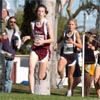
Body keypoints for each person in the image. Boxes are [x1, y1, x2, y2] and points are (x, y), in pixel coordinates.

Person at [22, 4, 54, 94]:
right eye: (39, 11)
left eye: (42, 11)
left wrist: (43, 41)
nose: (40, 13)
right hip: (35, 49)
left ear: (45, 13)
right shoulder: (32, 24)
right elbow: (33, 36)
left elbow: (52, 39)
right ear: (36, 12)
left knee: (40, 76)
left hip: (44, 49)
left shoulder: (47, 23)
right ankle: (31, 92)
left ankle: (44, 74)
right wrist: (29, 37)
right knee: (31, 68)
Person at [53, 18, 82, 96]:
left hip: (72, 56)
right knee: (59, 69)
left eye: (72, 24)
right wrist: (56, 44)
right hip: (64, 54)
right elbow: (59, 39)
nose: (70, 26)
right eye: (69, 24)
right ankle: (62, 77)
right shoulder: (65, 32)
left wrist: (73, 43)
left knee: (70, 76)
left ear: (75, 26)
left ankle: (69, 91)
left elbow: (81, 45)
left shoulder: (76, 34)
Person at [1, 16, 21, 93]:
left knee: (8, 77)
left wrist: (18, 44)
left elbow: (18, 46)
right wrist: (2, 38)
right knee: (1, 75)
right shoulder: (3, 31)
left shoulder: (16, 33)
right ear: (8, 22)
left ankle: (7, 93)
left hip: (11, 57)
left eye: (14, 22)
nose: (12, 23)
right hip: (2, 55)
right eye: (11, 22)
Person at [84, 31, 98, 96]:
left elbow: (96, 48)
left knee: (90, 77)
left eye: (92, 37)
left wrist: (93, 48)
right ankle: (86, 92)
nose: (92, 38)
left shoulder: (94, 43)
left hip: (91, 62)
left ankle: (87, 92)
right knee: (86, 77)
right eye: (91, 37)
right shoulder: (84, 43)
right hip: (86, 61)